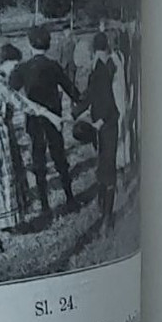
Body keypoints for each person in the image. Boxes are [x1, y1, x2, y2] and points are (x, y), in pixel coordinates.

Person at [0, 44, 64, 251]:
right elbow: (20, 101)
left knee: (8, 177)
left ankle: (8, 223)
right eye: (14, 63)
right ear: (5, 61)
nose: (15, 67)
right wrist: (49, 115)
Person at [9, 25, 81, 221]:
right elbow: (71, 89)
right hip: (54, 118)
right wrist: (81, 106)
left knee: (38, 159)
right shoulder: (53, 66)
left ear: (30, 44)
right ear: (48, 45)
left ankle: (45, 206)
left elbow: (10, 91)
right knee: (59, 156)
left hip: (34, 119)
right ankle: (70, 198)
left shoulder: (22, 68)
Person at [73, 32, 120, 233]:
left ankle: (107, 218)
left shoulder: (102, 69)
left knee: (107, 167)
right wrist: (76, 111)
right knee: (103, 165)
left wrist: (100, 120)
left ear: (93, 51)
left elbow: (107, 99)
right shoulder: (107, 65)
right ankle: (104, 208)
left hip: (105, 124)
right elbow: (93, 96)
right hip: (105, 123)